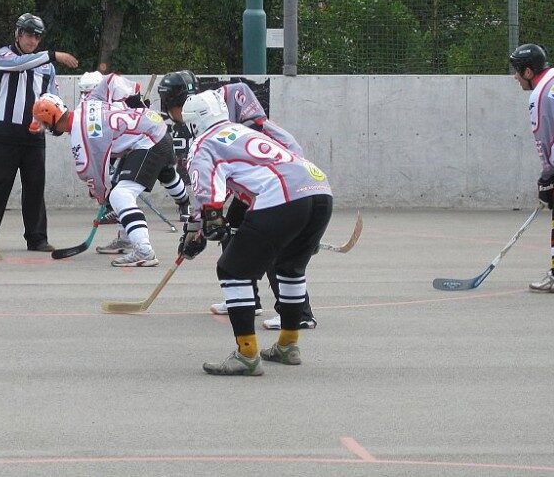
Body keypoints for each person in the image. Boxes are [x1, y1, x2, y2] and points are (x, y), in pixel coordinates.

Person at [178, 90, 333, 376]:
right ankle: (287, 345)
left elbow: (205, 185)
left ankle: (247, 354)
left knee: (232, 270)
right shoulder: (244, 130)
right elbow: (291, 145)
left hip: (283, 195)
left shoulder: (203, 142)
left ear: (193, 122)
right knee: (289, 268)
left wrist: (204, 222)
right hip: (318, 187)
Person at [158, 70, 318, 330]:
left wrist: (200, 223)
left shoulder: (225, 102)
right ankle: (247, 297)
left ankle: (299, 312)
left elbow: (224, 172)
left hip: (281, 178)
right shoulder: (209, 108)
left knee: (268, 242)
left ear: (175, 101)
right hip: (270, 179)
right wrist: (197, 226)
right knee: (231, 227)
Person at [31, 80, 189, 267]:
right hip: (151, 129)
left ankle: (144, 250)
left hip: (150, 140)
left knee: (120, 194)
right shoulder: (87, 103)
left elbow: (88, 172)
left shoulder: (81, 138)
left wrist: (101, 196)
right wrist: (133, 95)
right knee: (122, 189)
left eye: (44, 124)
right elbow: (110, 81)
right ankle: (126, 237)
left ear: (52, 120)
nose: (45, 128)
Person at [0, 13, 78, 253]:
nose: (32, 40)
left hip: (34, 135)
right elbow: (20, 64)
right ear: (17, 34)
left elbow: (51, 97)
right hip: (4, 133)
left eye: (37, 37)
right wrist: (53, 54)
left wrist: (55, 124)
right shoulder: (3, 56)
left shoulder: (46, 66)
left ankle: (37, 238)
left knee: (35, 186)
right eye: (28, 35)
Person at [510, 43, 554, 293]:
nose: (515, 77)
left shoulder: (539, 95)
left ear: (529, 72)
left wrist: (548, 178)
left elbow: (544, 140)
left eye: (517, 71)